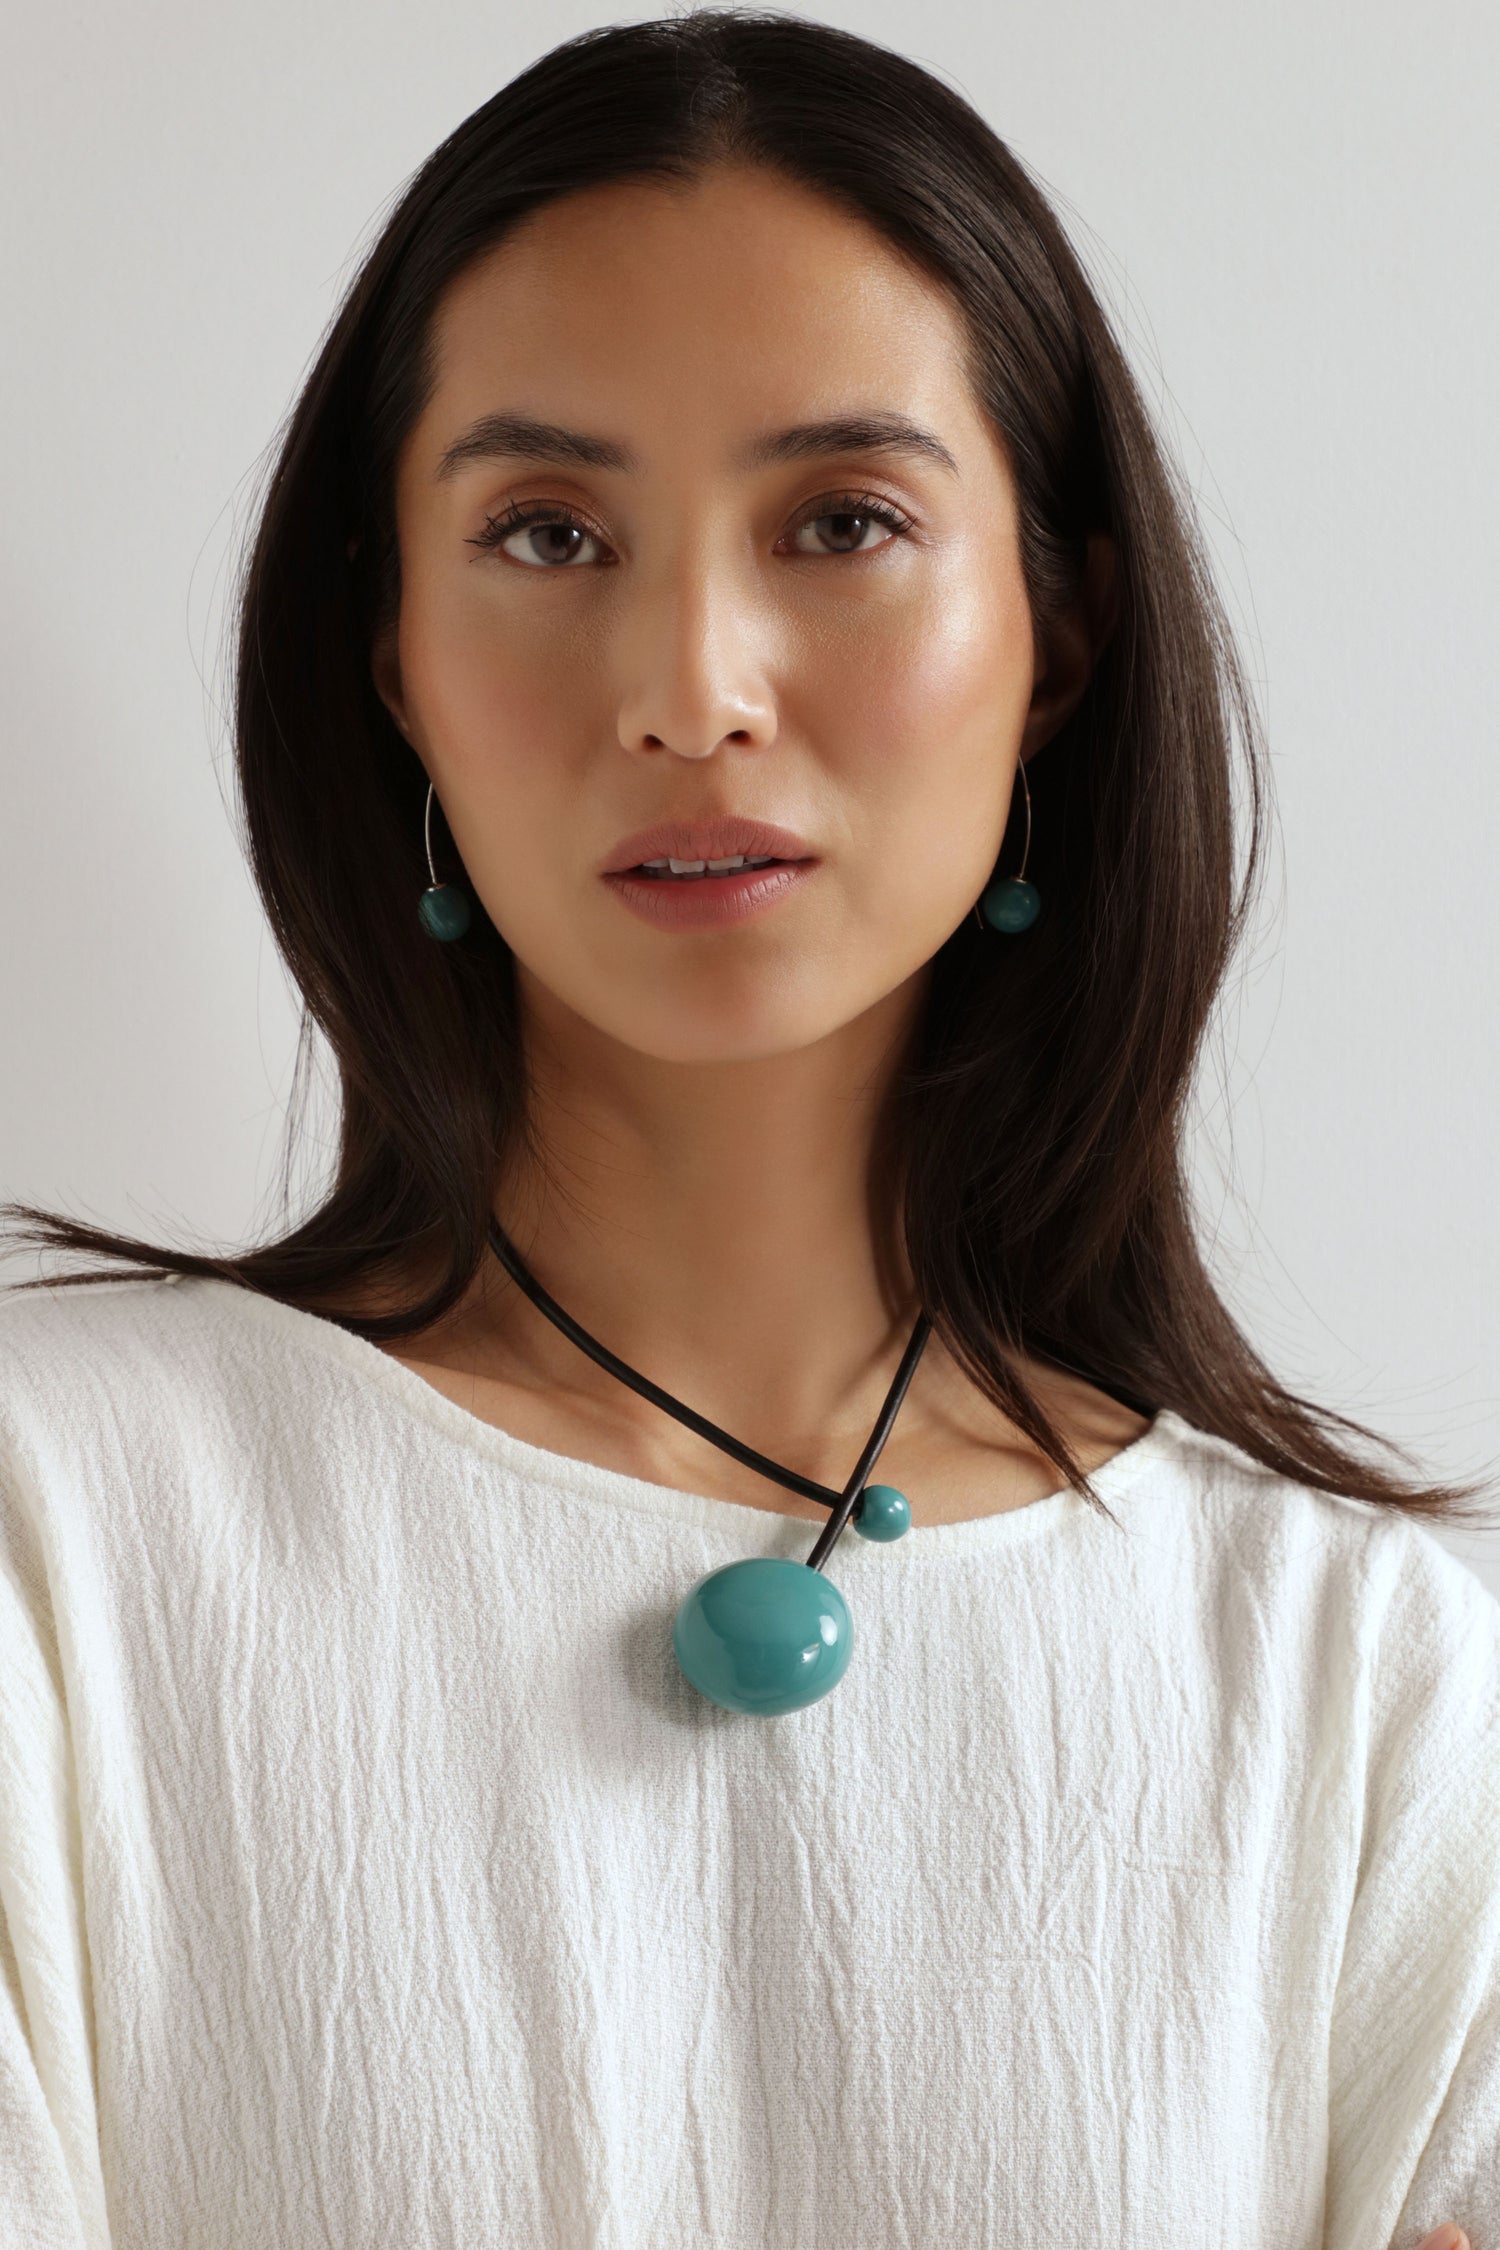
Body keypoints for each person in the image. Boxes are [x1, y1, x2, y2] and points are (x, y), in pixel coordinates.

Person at [1, 14, 1495, 2247]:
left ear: (1058, 633)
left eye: (844, 521)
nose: (691, 680)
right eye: (545, 529)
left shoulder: (1368, 1683)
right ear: (391, 649)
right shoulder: (55, 1542)